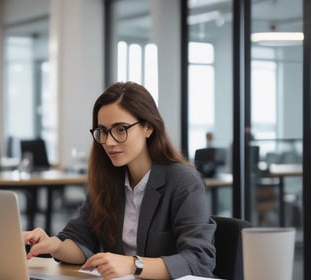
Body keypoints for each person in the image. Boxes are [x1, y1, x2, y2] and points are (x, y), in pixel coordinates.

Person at [23, 81, 216, 279]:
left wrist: (133, 264)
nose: (109, 142)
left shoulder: (183, 181)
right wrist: (55, 245)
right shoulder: (108, 179)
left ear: (148, 127)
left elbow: (199, 260)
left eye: (121, 129)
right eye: (103, 131)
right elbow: (81, 239)